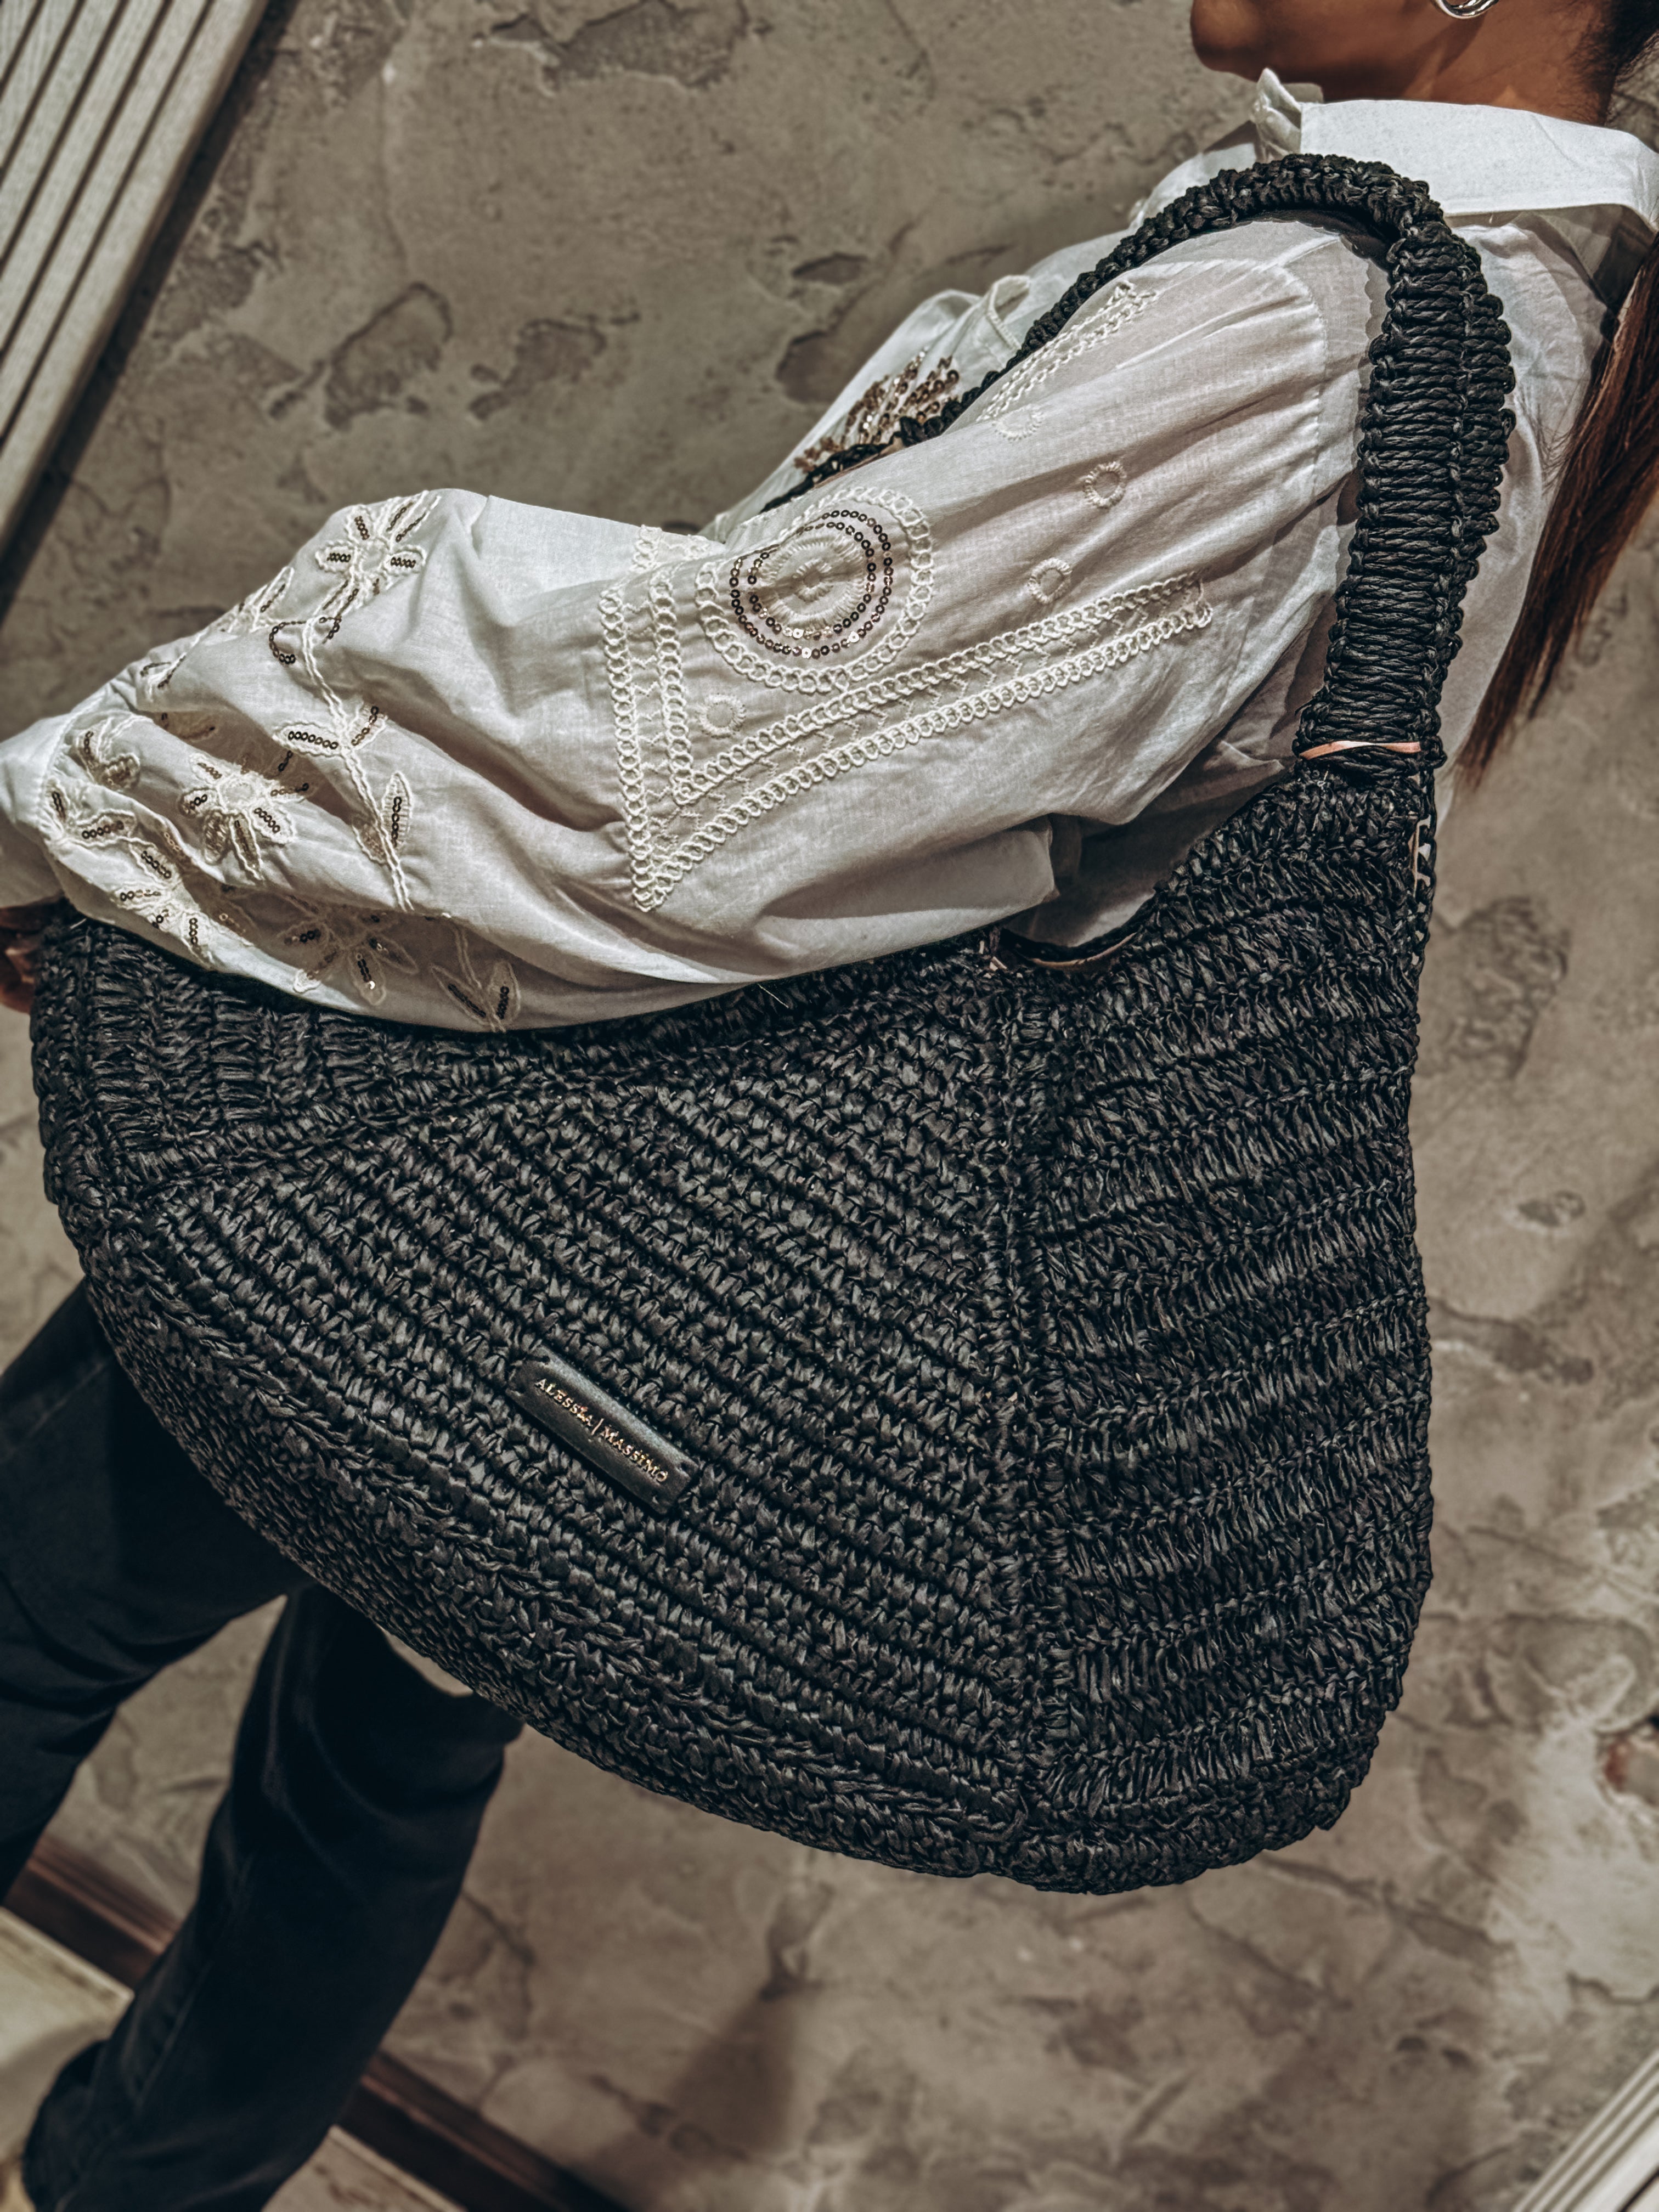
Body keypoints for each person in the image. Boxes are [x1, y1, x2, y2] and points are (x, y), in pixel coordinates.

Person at [3, 0, 1657, 2203]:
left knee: (33, 1591)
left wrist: (120, 821)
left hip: (571, 1148)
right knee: (377, 1749)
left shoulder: (1322, 317)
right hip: (728, 1268)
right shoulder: (1509, 319)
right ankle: (137, 2186)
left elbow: (701, 773)